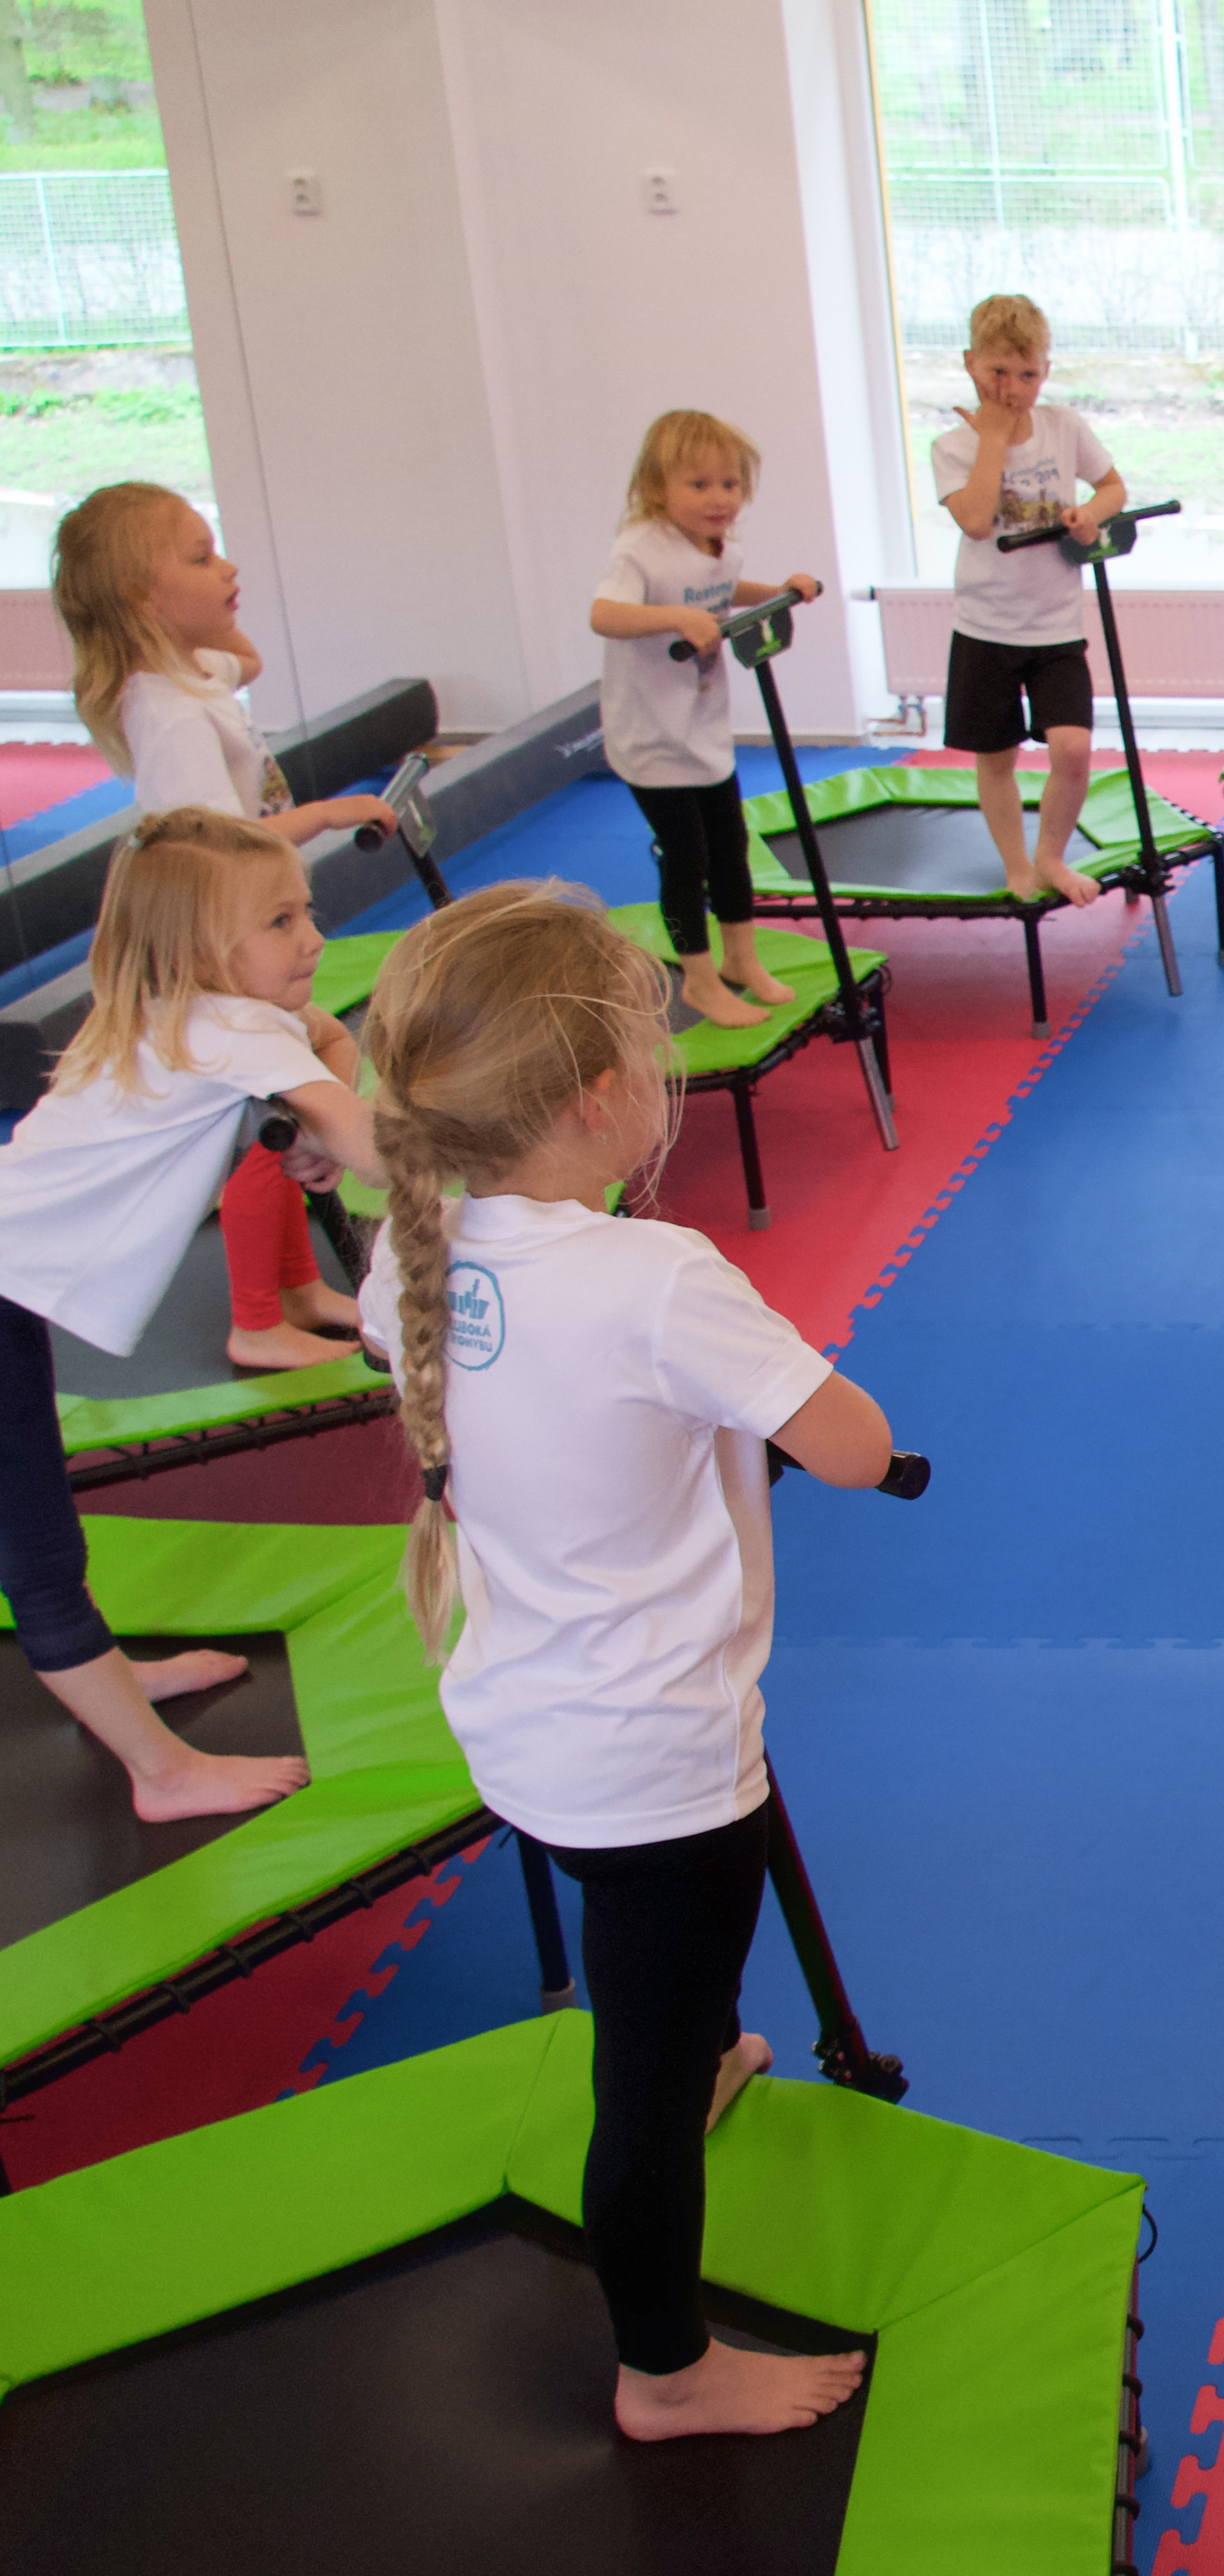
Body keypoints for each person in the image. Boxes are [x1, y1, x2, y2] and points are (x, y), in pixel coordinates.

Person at [353, 881, 894, 2443]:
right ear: (599, 1099)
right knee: (637, 2086)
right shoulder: (654, 1277)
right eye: (654, 1054)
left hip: (520, 1722)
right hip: (655, 1760)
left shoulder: (415, 1249)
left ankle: (706, 2045)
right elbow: (855, 1447)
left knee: (661, 1985)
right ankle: (666, 2368)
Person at [0, 808, 381, 1822]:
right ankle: (161, 1775)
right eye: (280, 922)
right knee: (36, 1557)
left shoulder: (176, 1009)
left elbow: (331, 1039)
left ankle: (108, 1672)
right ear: (202, 950)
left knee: (38, 1523)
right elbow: (372, 1142)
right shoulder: (224, 1026)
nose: (314, 939)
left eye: (306, 910)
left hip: (9, 1290)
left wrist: (311, 1128)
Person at [54, 481, 399, 1372]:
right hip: (220, 949)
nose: (229, 569)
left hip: (241, 937)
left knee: (306, 1082)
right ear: (142, 596)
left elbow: (247, 660)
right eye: (202, 557)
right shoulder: (166, 711)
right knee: (264, 1130)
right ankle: (256, 1318)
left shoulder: (188, 674)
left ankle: (295, 1285)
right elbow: (213, 855)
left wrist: (201, 603)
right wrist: (326, 814)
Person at [587, 410, 825, 1034]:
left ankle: (741, 957)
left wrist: (778, 590)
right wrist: (674, 618)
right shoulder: (640, 549)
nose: (719, 498)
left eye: (730, 484)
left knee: (731, 844)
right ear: (656, 487)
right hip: (650, 735)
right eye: (699, 485)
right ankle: (699, 976)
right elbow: (604, 614)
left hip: (703, 729)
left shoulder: (720, 548)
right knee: (686, 855)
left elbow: (719, 591)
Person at [934, 292, 1125, 909]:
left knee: (1072, 749)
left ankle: (1051, 856)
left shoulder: (1063, 426)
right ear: (970, 363)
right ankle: (1018, 865)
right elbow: (975, 522)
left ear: (1045, 371)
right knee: (996, 759)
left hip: (1055, 627)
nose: (1012, 388)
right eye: (997, 372)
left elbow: (1113, 487)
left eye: (1027, 374)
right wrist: (992, 439)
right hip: (985, 629)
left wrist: (1090, 515)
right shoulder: (953, 447)